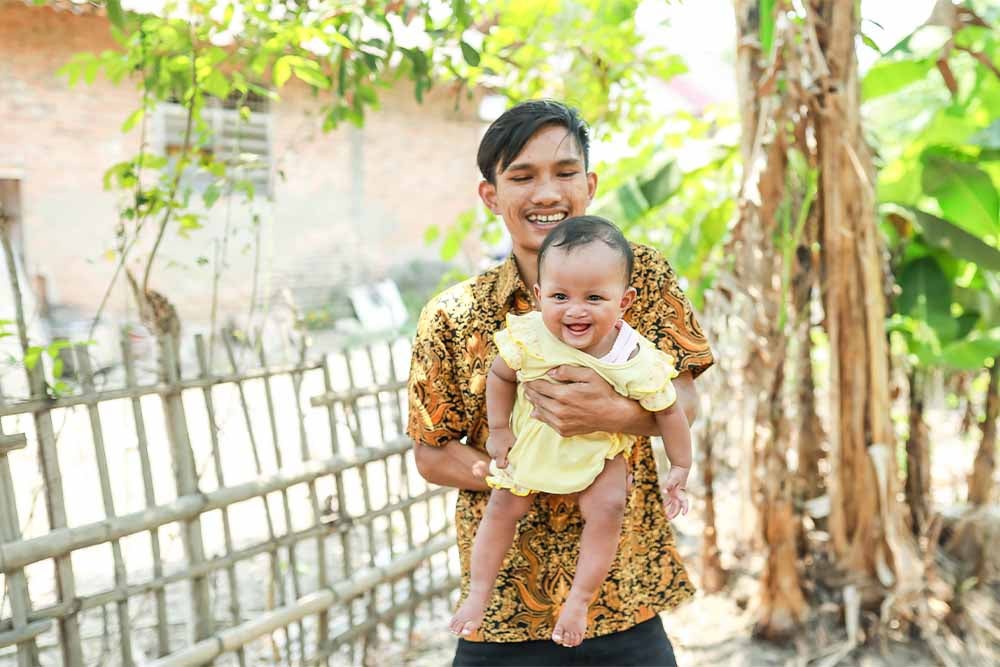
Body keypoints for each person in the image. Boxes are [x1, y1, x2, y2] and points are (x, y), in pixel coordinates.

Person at [408, 99, 714, 666]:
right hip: (502, 613)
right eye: (522, 176)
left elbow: (686, 398)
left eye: (565, 172)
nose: (547, 193)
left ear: (590, 184)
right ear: (491, 195)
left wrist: (612, 415)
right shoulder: (453, 314)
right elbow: (431, 456)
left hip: (623, 599)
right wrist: (527, 473)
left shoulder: (641, 278)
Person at [447, 216, 694, 649]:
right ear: (540, 296)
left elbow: (672, 411)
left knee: (610, 506)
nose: (575, 309)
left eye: (595, 297)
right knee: (502, 508)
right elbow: (499, 376)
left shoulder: (632, 356)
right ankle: (477, 596)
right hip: (532, 448)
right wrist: (500, 430)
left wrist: (681, 465)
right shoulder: (530, 336)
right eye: (560, 296)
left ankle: (579, 600)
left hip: (598, 457)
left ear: (625, 301)